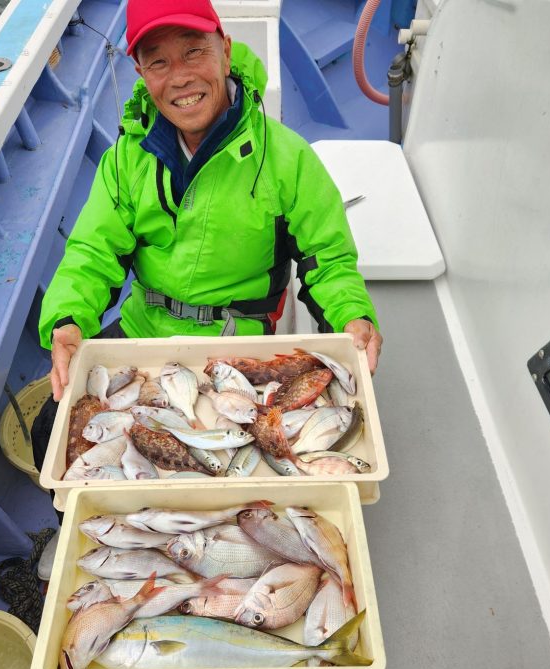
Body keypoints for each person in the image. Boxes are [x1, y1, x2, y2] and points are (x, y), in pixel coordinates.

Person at [37, 0, 383, 404]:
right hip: (144, 338)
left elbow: (327, 260)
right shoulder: (125, 158)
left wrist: (351, 316)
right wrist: (67, 320)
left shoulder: (288, 158)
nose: (180, 78)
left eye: (193, 51)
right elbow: (93, 254)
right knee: (52, 425)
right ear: (141, 75)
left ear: (226, 52)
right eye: (158, 63)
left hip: (241, 351)